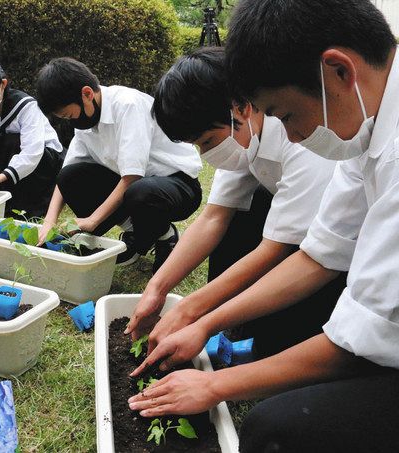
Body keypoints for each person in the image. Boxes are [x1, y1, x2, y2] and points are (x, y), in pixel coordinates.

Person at [127, 1, 399, 451]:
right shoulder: (365, 132)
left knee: (277, 428)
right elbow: (318, 256)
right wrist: (200, 317)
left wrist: (215, 385)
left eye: (287, 115)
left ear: (338, 71)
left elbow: (358, 341)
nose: (291, 135)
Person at [125, 47, 342, 358]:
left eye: (208, 141)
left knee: (281, 344)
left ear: (241, 107)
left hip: (335, 250)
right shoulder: (244, 135)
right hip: (296, 230)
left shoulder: (299, 137)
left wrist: (192, 312)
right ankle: (237, 323)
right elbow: (214, 217)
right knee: (236, 220)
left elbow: (277, 249)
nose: (206, 154)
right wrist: (156, 289)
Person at [35, 57, 203, 272]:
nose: (71, 121)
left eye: (69, 115)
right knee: (70, 177)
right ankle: (136, 233)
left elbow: (133, 176)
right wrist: (49, 221)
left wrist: (92, 221)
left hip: (177, 185)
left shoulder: (127, 105)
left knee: (141, 191)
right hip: (136, 186)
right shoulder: (85, 119)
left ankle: (165, 236)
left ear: (86, 94)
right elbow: (65, 176)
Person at [0, 56, 64, 217]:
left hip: (42, 162)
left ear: (3, 84)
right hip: (7, 161)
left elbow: (32, 152)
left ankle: (25, 205)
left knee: (11, 141)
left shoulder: (26, 106)